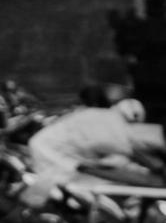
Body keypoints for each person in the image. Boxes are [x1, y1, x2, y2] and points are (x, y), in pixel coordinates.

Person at [21, 86, 166, 205]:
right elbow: (134, 150)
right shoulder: (110, 123)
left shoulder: (99, 116)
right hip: (56, 158)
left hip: (51, 154)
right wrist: (156, 167)